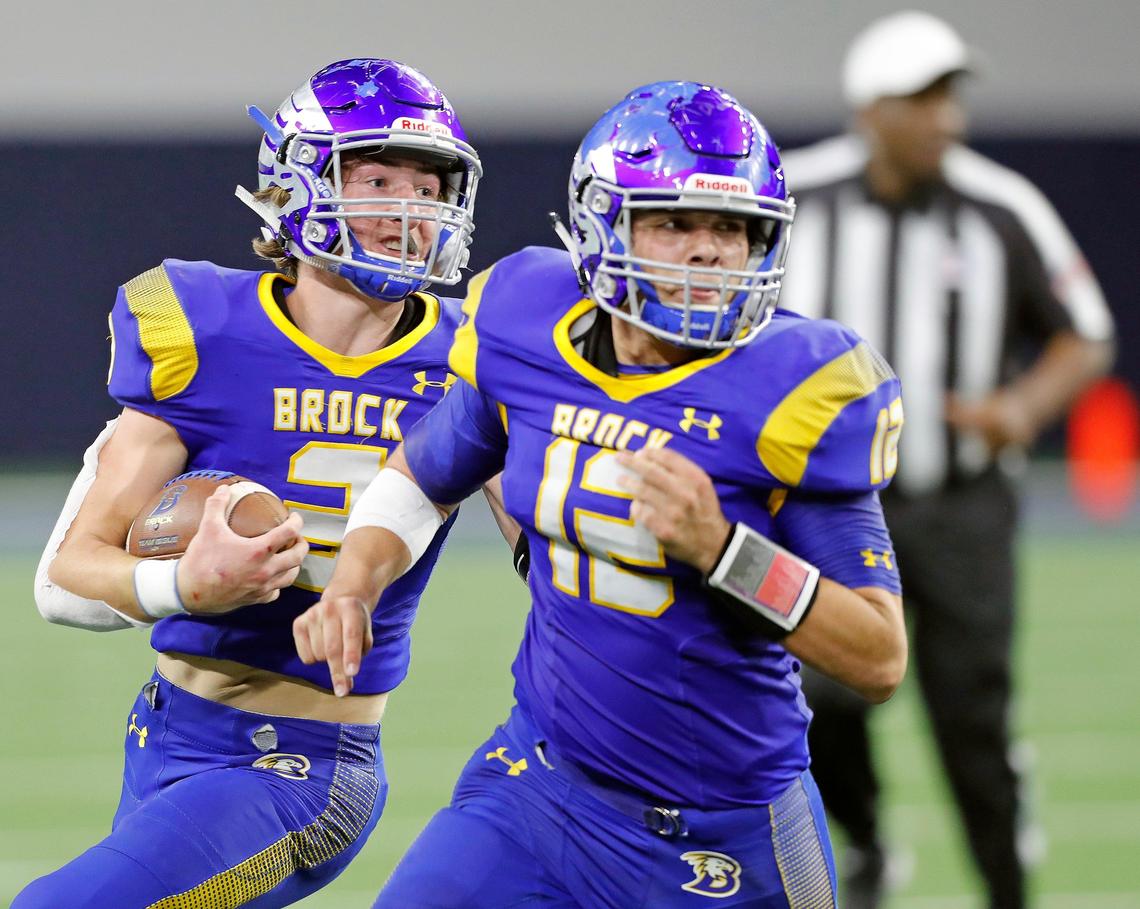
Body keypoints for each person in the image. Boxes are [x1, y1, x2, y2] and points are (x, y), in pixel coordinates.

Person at [292, 80, 909, 908]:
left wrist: (725, 552)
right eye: (675, 223)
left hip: (723, 831)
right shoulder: (526, 321)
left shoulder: (797, 385)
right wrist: (353, 581)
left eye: (730, 227)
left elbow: (878, 655)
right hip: (537, 789)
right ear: (601, 223)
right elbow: (425, 470)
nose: (707, 251)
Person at [15, 58, 486, 908]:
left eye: (427, 187)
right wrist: (182, 586)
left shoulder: (472, 357)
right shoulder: (203, 326)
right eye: (378, 180)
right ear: (298, 186)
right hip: (166, 731)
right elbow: (69, 573)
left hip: (303, 764)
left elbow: (549, 551)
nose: (409, 211)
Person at [777, 12, 1116, 909]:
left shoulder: (1000, 205)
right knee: (814, 693)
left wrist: (1022, 407)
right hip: (825, 506)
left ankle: (1007, 888)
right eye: (923, 100)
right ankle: (866, 841)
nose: (946, 119)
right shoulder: (797, 198)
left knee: (973, 717)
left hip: (961, 504)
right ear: (871, 109)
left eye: (950, 98)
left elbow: (1086, 334)